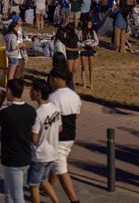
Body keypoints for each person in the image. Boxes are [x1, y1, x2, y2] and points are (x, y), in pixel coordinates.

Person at [0, 79, 37, 203]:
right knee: (9, 192)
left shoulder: (5, 111)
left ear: (9, 91)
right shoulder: (31, 110)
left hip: (12, 158)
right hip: (25, 155)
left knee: (17, 196)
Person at [47, 68, 81, 203]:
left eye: (50, 79)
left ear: (55, 79)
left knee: (61, 168)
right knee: (56, 164)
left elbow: (50, 119)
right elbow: (77, 115)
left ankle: (74, 200)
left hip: (58, 138)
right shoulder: (75, 96)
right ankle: (47, 185)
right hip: (71, 135)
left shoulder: (53, 98)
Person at [28, 78, 62, 203]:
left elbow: (35, 138)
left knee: (33, 185)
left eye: (32, 90)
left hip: (40, 155)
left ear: (39, 93)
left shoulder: (37, 114)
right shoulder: (55, 108)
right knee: (44, 180)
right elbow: (60, 128)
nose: (30, 92)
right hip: (52, 153)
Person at [78, 20, 98, 90]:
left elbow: (97, 41)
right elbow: (77, 41)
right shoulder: (81, 32)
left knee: (91, 68)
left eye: (90, 24)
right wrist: (84, 44)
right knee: (83, 67)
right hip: (84, 49)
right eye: (88, 24)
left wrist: (92, 45)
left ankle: (91, 84)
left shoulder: (93, 32)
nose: (90, 26)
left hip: (90, 49)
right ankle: (84, 83)